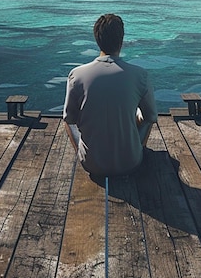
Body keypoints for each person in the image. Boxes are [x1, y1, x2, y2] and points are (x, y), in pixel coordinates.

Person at [63, 13, 157, 177]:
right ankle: (136, 148)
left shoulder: (76, 75)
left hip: (91, 165)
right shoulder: (140, 75)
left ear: (97, 40)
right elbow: (151, 117)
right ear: (122, 40)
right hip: (130, 163)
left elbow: (69, 119)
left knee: (67, 121)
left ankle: (83, 153)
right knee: (143, 114)